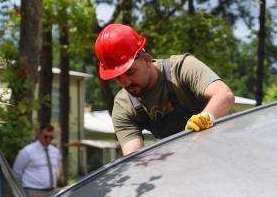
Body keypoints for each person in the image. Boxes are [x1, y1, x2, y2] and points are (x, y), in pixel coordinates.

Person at [94, 23, 235, 155]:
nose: (125, 83)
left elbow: (224, 95)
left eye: (130, 72)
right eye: (118, 77)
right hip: (185, 163)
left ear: (147, 60)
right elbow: (134, 158)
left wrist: (207, 117)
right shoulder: (123, 106)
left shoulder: (182, 68)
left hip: (227, 148)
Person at [13, 124, 59, 197]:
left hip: (52, 193)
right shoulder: (27, 151)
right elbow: (17, 173)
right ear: (39, 134)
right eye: (46, 137)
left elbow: (55, 170)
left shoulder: (55, 151)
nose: (48, 140)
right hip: (33, 192)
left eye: (51, 138)